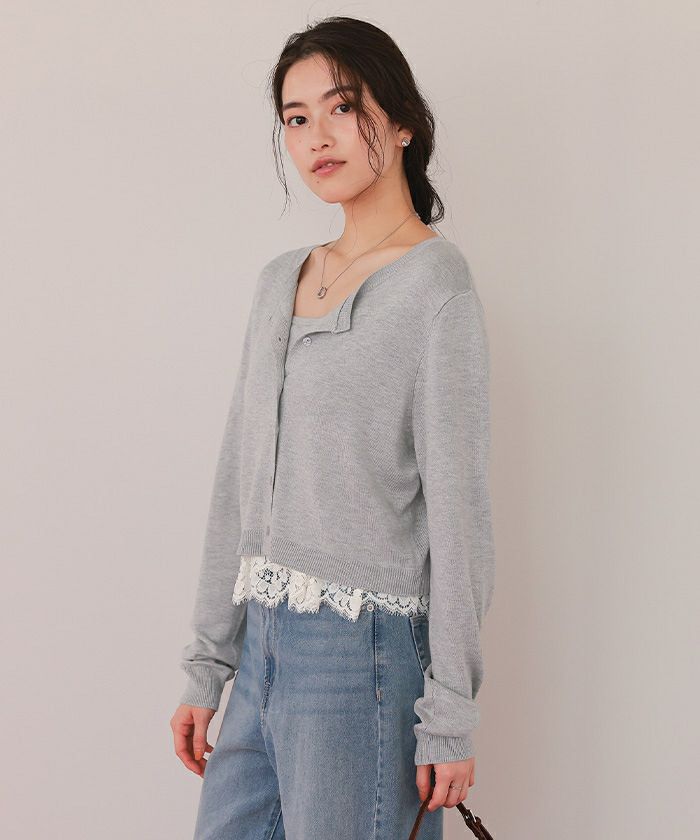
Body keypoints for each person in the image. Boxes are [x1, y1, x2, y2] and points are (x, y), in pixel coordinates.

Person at [170, 16, 495, 840]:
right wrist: (209, 664)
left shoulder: (436, 289)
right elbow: (237, 478)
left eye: (342, 107)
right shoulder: (279, 280)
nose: (316, 135)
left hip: (364, 659)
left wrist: (451, 713)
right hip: (260, 647)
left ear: (403, 119)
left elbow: (460, 514)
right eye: (296, 117)